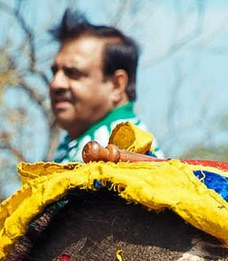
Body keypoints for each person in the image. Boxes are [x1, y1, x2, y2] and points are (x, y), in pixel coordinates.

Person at [49, 9, 161, 161]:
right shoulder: (80, 143)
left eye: (72, 73)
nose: (56, 84)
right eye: (54, 72)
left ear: (117, 85)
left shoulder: (126, 147)